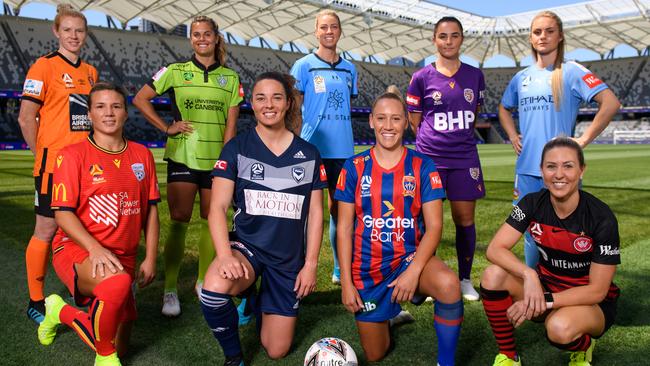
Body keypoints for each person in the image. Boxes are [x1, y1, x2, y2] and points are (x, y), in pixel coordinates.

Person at [199, 72, 325, 366]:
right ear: (252, 105)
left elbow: (317, 212)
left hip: (287, 259)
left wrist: (310, 264)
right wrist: (224, 255)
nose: (269, 104)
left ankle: (255, 300)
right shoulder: (237, 148)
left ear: (288, 103)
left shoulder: (308, 153)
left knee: (276, 349)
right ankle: (234, 358)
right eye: (261, 98)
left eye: (276, 97)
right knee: (214, 290)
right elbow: (216, 208)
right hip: (248, 249)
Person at [336, 87, 463, 365]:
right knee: (375, 353)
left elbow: (435, 227)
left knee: (449, 284)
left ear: (406, 122)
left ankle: (447, 362)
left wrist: (413, 271)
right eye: (381, 118)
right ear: (371, 121)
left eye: (396, 119)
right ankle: (390, 315)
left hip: (408, 260)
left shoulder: (423, 166)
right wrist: (346, 282)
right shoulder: (354, 167)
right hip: (368, 270)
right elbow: (344, 229)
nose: (388, 126)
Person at [37, 82, 160, 366]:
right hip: (77, 249)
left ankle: (60, 311)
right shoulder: (72, 156)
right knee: (115, 294)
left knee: (122, 344)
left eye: (116, 106)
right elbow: (62, 214)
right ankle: (104, 358)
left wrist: (151, 257)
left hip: (124, 257)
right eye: (100, 107)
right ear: (89, 114)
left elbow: (150, 212)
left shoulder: (142, 155)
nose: (109, 113)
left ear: (126, 113)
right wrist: (94, 248)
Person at [133, 15, 243, 317]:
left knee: (213, 218)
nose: (202, 39)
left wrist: (227, 161)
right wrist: (166, 127)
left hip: (215, 161)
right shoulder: (174, 71)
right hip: (183, 156)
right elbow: (141, 99)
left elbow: (231, 127)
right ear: (191, 39)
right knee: (179, 219)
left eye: (207, 34)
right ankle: (170, 290)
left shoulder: (231, 78)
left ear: (216, 38)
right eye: (196, 34)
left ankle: (201, 282)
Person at [480, 137, 620, 366]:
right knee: (492, 275)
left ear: (581, 170)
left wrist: (544, 300)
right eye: (551, 166)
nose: (559, 174)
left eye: (568, 166)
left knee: (558, 328)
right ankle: (508, 355)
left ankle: (584, 346)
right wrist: (529, 274)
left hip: (589, 302)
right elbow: (495, 249)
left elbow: (597, 291)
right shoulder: (531, 203)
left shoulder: (601, 217)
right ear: (542, 171)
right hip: (546, 287)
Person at [499, 11, 620, 268]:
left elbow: (610, 102)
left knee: (568, 232)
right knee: (530, 232)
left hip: (561, 169)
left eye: (549, 31)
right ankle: (535, 289)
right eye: (537, 32)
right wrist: (512, 134)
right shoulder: (521, 78)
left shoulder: (572, 71)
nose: (543, 36)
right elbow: (503, 108)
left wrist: (583, 140)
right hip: (528, 169)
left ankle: (569, 286)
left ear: (560, 35)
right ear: (531, 38)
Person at [17, 3, 98, 324]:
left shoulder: (91, 72)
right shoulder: (43, 67)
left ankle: (86, 288)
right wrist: (43, 156)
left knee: (85, 229)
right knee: (47, 228)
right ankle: (35, 300)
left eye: (79, 30)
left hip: (86, 167)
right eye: (68, 30)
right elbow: (26, 118)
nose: (74, 36)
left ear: (85, 34)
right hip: (54, 167)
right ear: (56, 32)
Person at [406, 16, 486, 301]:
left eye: (454, 35)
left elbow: (473, 114)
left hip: (464, 157)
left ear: (462, 39)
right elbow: (415, 120)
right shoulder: (421, 78)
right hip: (431, 158)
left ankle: (465, 279)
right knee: (427, 223)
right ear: (434, 39)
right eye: (443, 36)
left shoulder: (475, 76)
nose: (448, 41)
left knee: (465, 220)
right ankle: (425, 279)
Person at [290, 9, 358, 286]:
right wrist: (293, 144)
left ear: (340, 31)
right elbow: (294, 110)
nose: (329, 32)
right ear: (316, 32)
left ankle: (341, 269)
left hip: (343, 150)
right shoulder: (303, 66)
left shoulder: (350, 68)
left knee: (340, 211)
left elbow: (347, 106)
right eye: (324, 27)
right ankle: (299, 267)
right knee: (306, 211)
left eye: (334, 27)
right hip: (311, 148)